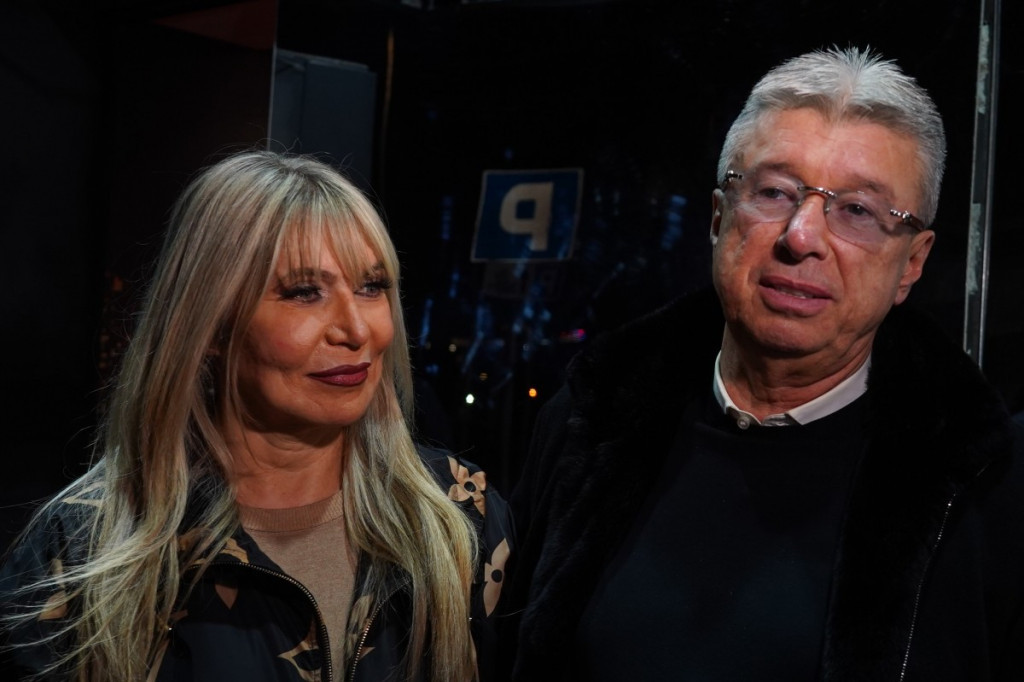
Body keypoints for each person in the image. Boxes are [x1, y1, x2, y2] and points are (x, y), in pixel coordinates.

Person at [503, 46, 1024, 681]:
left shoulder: (984, 483)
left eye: (857, 211)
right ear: (719, 217)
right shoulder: (592, 420)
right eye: (774, 192)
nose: (801, 237)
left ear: (911, 263)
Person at [0, 150, 513, 681]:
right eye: (305, 293)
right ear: (212, 322)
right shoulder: (81, 546)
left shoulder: (461, 514)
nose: (357, 330)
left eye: (371, 287)